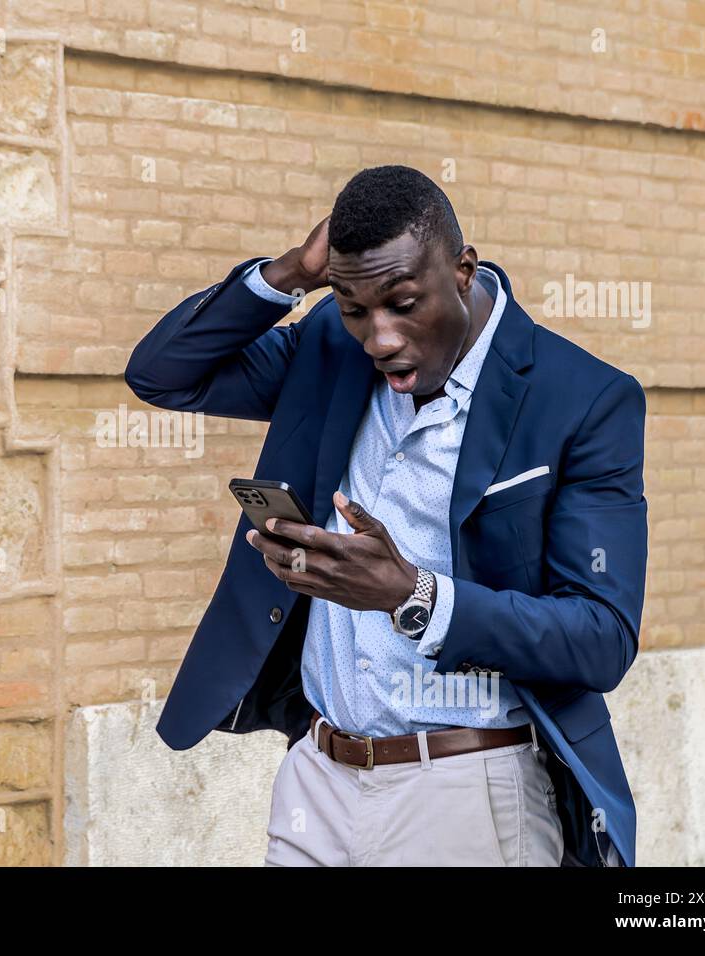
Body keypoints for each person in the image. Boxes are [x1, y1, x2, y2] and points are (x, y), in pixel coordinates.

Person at [123, 165, 647, 866]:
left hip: (467, 788)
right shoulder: (330, 348)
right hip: (319, 779)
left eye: (403, 303)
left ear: (463, 270)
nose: (381, 338)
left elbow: (600, 638)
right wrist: (295, 273)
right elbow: (163, 373)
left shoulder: (581, 399)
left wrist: (414, 597)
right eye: (354, 306)